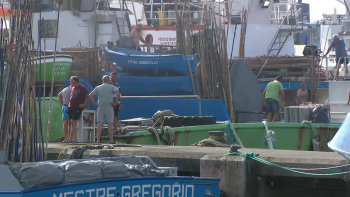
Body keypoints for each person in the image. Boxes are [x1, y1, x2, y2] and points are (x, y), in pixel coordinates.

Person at [89, 75, 120, 143]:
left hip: (100, 106)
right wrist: (115, 103)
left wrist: (94, 103)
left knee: (100, 123)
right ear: (109, 80)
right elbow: (118, 94)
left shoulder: (98, 87)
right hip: (109, 106)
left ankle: (98, 140)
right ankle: (111, 140)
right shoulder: (112, 87)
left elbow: (90, 95)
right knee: (110, 124)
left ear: (103, 80)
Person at [67, 76, 90, 143]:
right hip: (71, 106)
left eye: (71, 81)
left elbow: (88, 97)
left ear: (75, 81)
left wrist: (84, 104)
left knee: (74, 122)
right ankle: (69, 138)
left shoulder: (82, 87)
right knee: (70, 122)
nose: (70, 82)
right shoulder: (72, 88)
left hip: (78, 107)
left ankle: (71, 139)